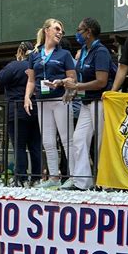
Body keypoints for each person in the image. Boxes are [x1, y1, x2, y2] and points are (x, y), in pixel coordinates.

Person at [0, 42, 42, 187]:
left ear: (20, 52)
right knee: (35, 146)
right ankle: (36, 179)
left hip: (17, 112)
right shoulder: (38, 66)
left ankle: (21, 179)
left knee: (19, 146)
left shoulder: (15, 66)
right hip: (37, 110)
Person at [61, 17, 117, 190]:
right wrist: (72, 90)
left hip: (100, 102)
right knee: (78, 139)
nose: (77, 33)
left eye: (80, 30)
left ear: (88, 32)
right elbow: (80, 78)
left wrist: (76, 86)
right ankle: (82, 181)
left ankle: (105, 182)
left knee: (101, 143)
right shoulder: (85, 50)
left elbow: (101, 81)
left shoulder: (100, 51)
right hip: (86, 102)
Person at [24, 18, 77, 189]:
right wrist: (27, 97)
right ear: (47, 30)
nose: (60, 32)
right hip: (42, 101)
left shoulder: (65, 54)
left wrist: (60, 82)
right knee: (47, 141)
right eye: (56, 28)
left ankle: (75, 177)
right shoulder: (34, 55)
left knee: (67, 139)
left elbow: (73, 79)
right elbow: (31, 80)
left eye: (61, 30)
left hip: (61, 99)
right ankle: (54, 177)